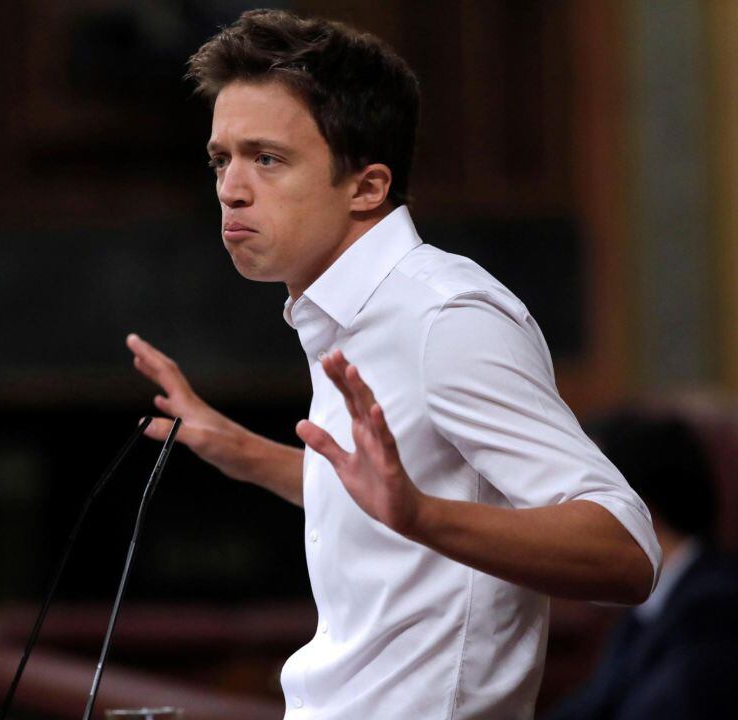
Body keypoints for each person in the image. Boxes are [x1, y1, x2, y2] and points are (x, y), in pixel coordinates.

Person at [125, 10, 660, 718]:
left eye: (268, 158)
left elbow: (627, 552)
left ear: (368, 187)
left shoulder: (445, 317)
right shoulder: (345, 310)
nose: (231, 188)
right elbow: (389, 491)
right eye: (221, 159)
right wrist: (246, 455)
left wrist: (421, 516)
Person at [546, 413, 738, 719]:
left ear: (637, 508)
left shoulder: (717, 606)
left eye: (586, 501)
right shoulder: (647, 606)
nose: (568, 516)